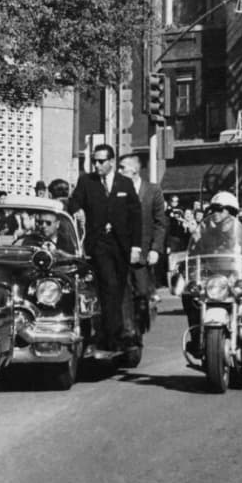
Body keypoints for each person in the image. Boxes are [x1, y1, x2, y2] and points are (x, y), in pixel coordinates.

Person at [68, 143, 141, 353]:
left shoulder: (124, 184)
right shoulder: (86, 182)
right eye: (94, 161)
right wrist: (78, 209)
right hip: (99, 244)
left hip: (121, 245)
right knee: (108, 285)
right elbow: (73, 202)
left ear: (111, 162)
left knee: (118, 289)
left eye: (101, 161)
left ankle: (120, 332)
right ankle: (110, 336)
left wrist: (136, 246)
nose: (97, 165)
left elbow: (135, 217)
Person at [181, 191, 242, 358]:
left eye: (220, 209)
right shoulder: (206, 234)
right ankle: (197, 338)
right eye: (213, 210)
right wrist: (188, 267)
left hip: (234, 281)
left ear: (231, 211)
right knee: (189, 294)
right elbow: (196, 253)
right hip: (212, 281)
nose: (215, 213)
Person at [117, 154, 166, 345]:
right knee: (122, 293)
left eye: (123, 168)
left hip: (143, 255)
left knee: (141, 292)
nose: (119, 172)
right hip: (121, 253)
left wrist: (155, 249)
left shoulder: (153, 191)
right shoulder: (117, 191)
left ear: (134, 170)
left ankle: (139, 323)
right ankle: (128, 332)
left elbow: (160, 223)